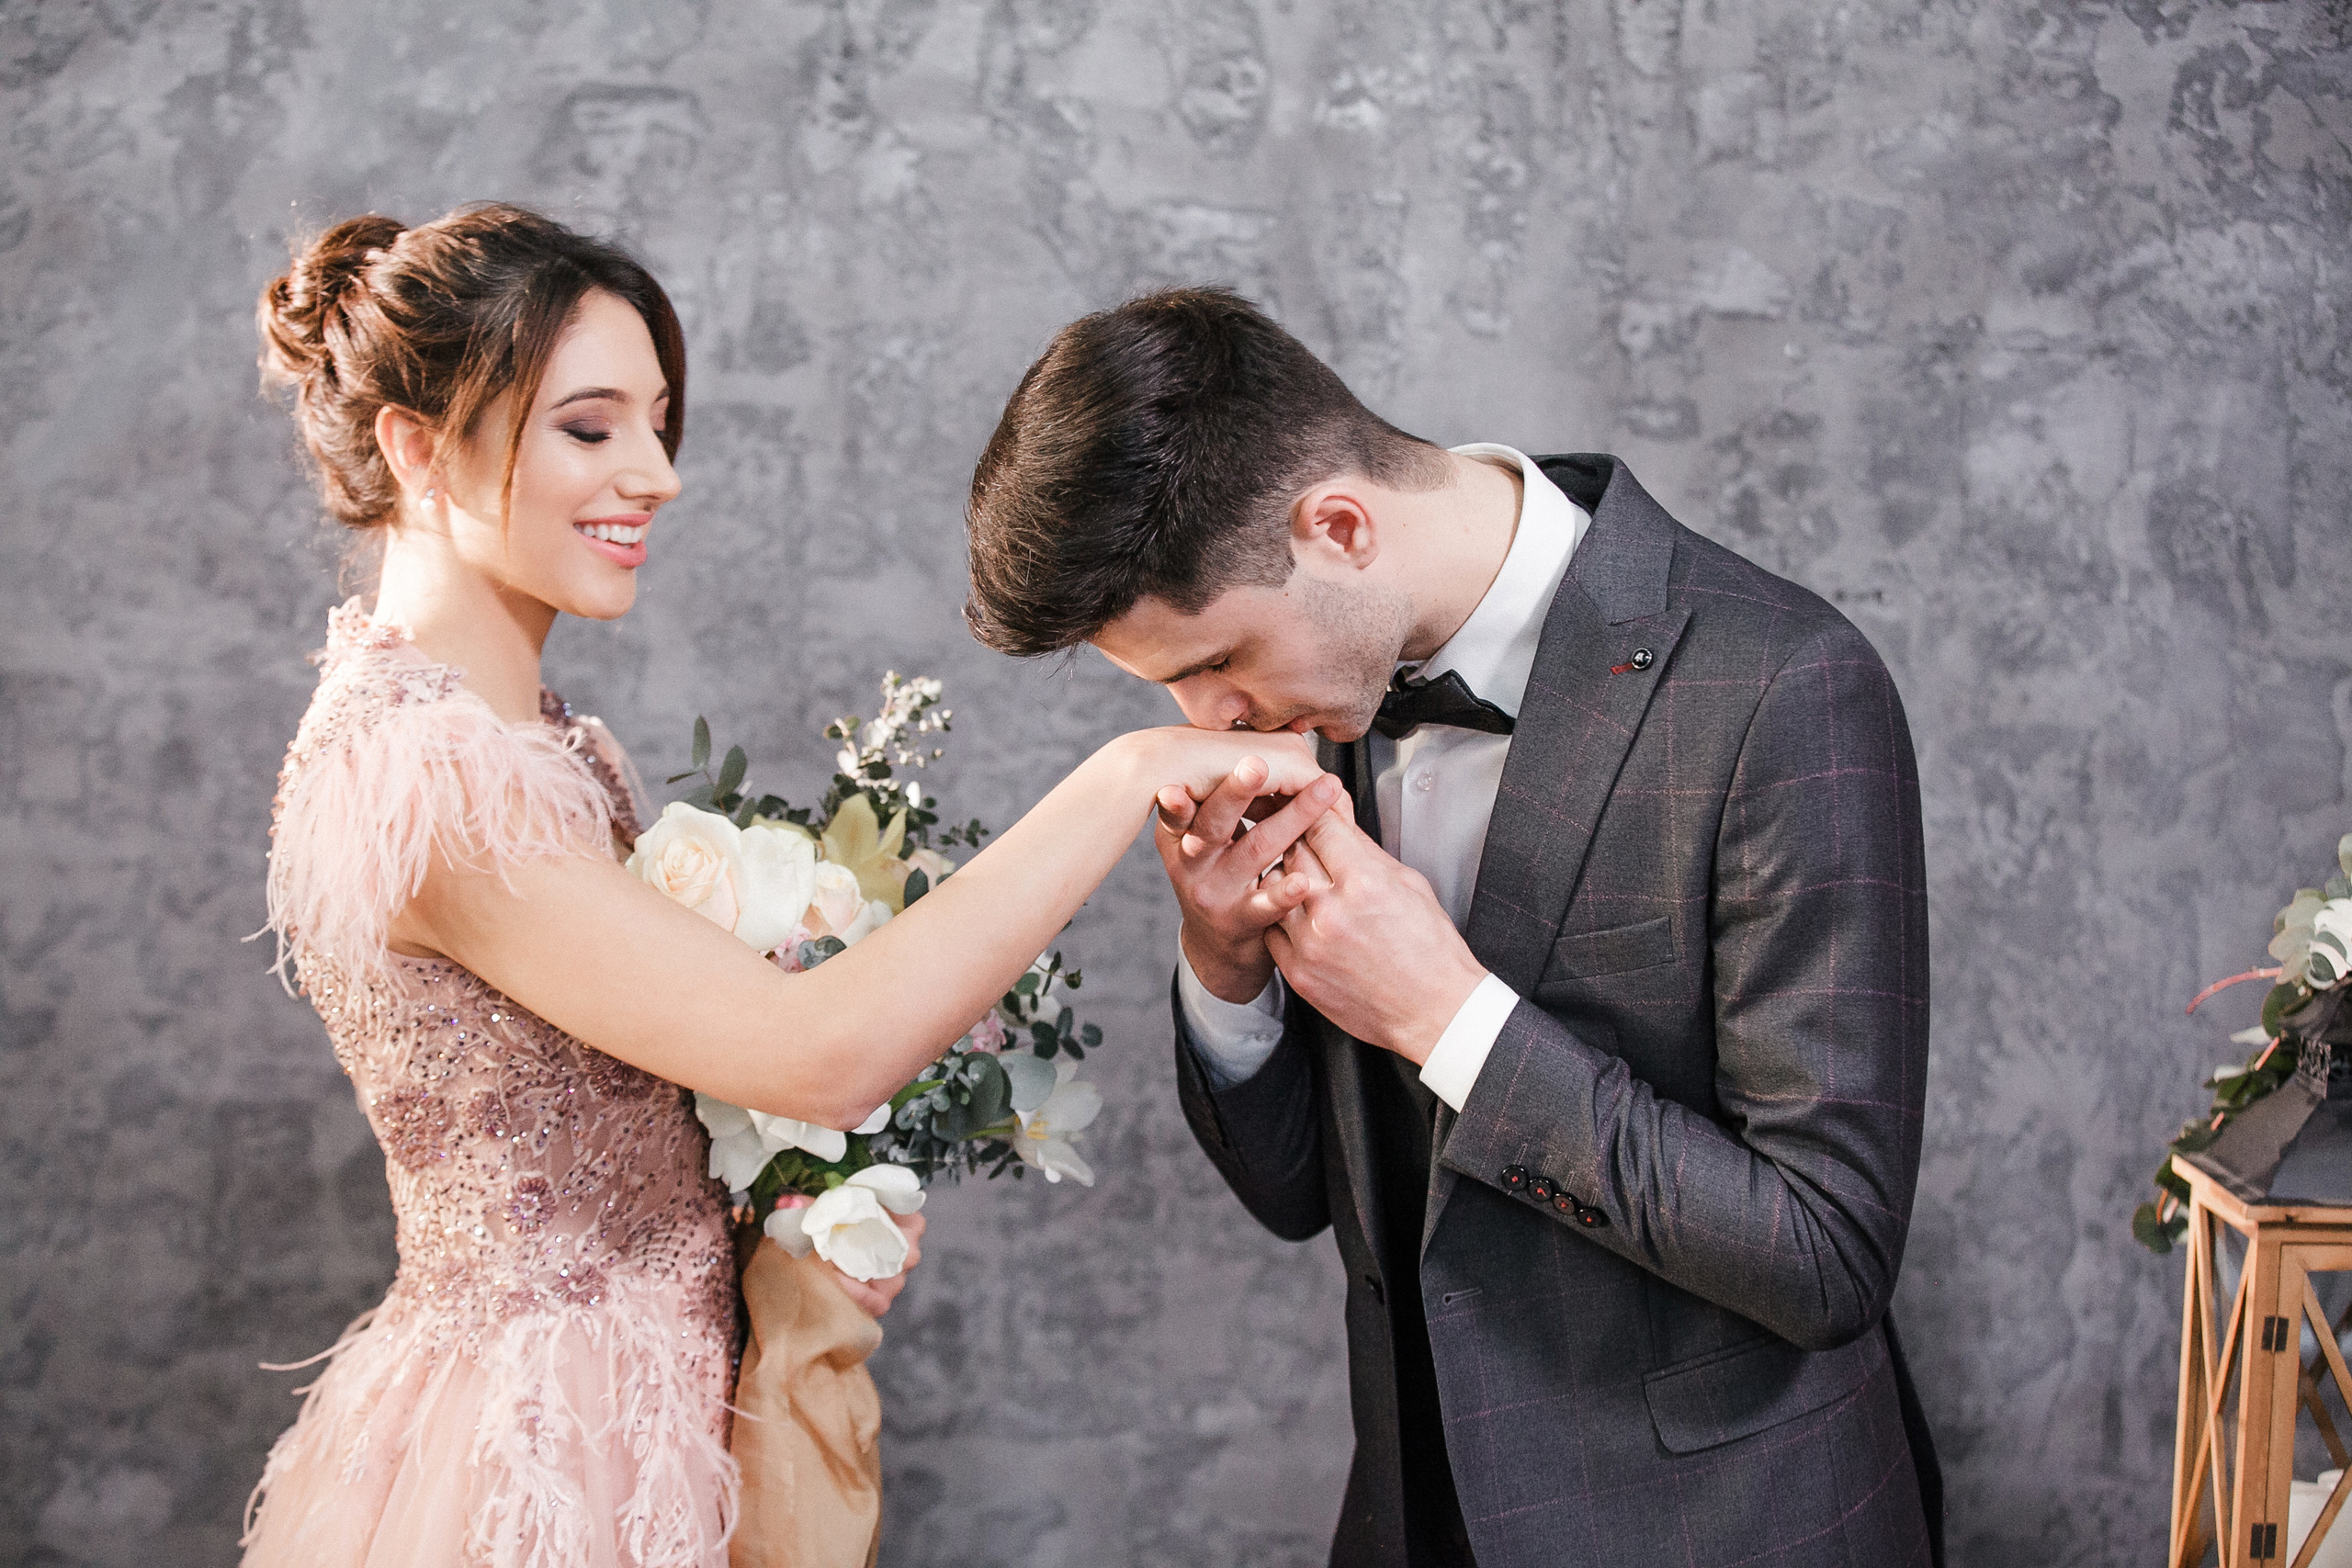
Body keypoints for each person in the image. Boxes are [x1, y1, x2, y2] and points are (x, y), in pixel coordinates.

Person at [241, 211, 1327, 1568]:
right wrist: (1126, 773)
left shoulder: (553, 746)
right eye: (590, 427)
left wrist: (805, 1202)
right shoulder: (426, 776)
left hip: (666, 1392)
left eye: (658, 420)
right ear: (416, 447)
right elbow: (816, 1054)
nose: (656, 472)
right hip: (550, 1446)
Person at [961, 287, 1943, 1568]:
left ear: (1340, 527)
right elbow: (1302, 1199)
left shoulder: (1786, 687)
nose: (1209, 720)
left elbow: (1826, 1253)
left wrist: (1447, 1018)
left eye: (1217, 664)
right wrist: (1227, 966)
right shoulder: (1323, 689)